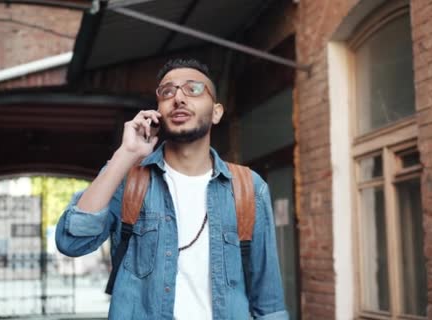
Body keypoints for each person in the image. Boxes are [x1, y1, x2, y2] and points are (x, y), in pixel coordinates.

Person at [55, 58, 288, 319]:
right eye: (168, 91)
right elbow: (71, 242)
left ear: (216, 112)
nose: (178, 97)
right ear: (158, 111)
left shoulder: (248, 187)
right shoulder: (129, 180)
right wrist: (126, 154)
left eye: (193, 89)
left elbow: (269, 303)